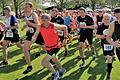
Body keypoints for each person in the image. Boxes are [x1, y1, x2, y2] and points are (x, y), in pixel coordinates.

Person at [32, 14, 67, 80]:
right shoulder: (40, 26)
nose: (42, 22)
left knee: (44, 62)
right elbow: (36, 33)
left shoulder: (54, 26)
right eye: (41, 20)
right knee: (54, 59)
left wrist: (65, 39)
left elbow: (65, 27)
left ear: (48, 19)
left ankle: (55, 73)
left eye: (44, 20)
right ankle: (61, 70)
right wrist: (34, 37)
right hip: (48, 47)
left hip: (55, 47)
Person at [21, 2, 45, 74]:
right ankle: (29, 66)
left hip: (37, 34)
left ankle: (53, 59)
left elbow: (38, 26)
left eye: (27, 7)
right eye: (25, 7)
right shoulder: (25, 14)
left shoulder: (34, 14)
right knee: (25, 49)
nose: (25, 8)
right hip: (30, 34)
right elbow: (28, 23)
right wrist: (24, 26)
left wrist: (27, 22)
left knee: (47, 50)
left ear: (31, 8)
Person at [96, 13, 114, 80]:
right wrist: (101, 36)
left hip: (112, 43)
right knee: (106, 56)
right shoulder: (101, 26)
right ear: (103, 19)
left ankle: (108, 74)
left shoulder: (112, 25)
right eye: (105, 19)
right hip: (104, 44)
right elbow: (97, 35)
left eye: (107, 19)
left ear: (110, 19)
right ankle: (111, 57)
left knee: (109, 58)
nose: (106, 20)